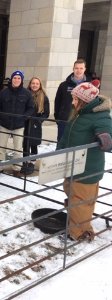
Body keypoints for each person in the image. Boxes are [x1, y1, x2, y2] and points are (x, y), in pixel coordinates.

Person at [57, 82, 112, 241]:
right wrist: (59, 152)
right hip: (72, 165)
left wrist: (105, 139)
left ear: (84, 100)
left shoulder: (100, 116)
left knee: (81, 202)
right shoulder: (81, 113)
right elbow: (67, 136)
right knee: (72, 194)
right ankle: (82, 226)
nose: (72, 102)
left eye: (75, 99)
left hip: (87, 169)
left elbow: (107, 134)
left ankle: (78, 234)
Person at [0, 70, 34, 176]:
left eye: (18, 78)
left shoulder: (27, 93)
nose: (16, 80)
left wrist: (23, 118)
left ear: (21, 80)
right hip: (4, 125)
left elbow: (30, 108)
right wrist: (2, 117)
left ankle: (16, 168)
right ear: (11, 79)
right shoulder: (3, 92)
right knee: (1, 148)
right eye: (14, 78)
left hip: (19, 126)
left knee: (18, 149)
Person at [54, 58, 90, 142]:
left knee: (77, 145)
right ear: (73, 69)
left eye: (81, 68)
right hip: (64, 120)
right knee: (62, 143)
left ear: (85, 69)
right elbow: (57, 102)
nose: (79, 70)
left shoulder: (89, 85)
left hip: (82, 121)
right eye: (76, 68)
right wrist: (58, 117)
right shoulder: (63, 85)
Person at [21, 77, 50, 175]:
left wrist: (38, 121)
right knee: (25, 143)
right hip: (25, 123)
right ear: (30, 84)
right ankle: (25, 161)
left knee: (33, 144)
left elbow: (46, 113)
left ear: (40, 85)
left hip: (35, 125)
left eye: (37, 83)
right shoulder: (25, 94)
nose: (35, 85)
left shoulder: (44, 97)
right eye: (33, 83)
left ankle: (32, 163)